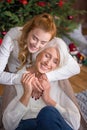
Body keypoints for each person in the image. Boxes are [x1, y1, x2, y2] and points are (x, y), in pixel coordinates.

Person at [2, 43, 81, 130]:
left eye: (55, 61)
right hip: (28, 125)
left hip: (54, 122)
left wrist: (48, 99)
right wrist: (26, 94)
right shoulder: (18, 77)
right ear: (38, 53)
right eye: (47, 56)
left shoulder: (59, 80)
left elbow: (75, 122)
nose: (48, 63)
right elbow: (8, 125)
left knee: (47, 113)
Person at [0, 13, 80, 88]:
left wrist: (46, 77)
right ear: (28, 30)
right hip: (15, 73)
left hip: (38, 72)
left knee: (62, 79)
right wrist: (24, 78)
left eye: (43, 42)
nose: (37, 45)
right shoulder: (12, 36)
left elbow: (75, 67)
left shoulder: (51, 42)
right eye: (34, 38)